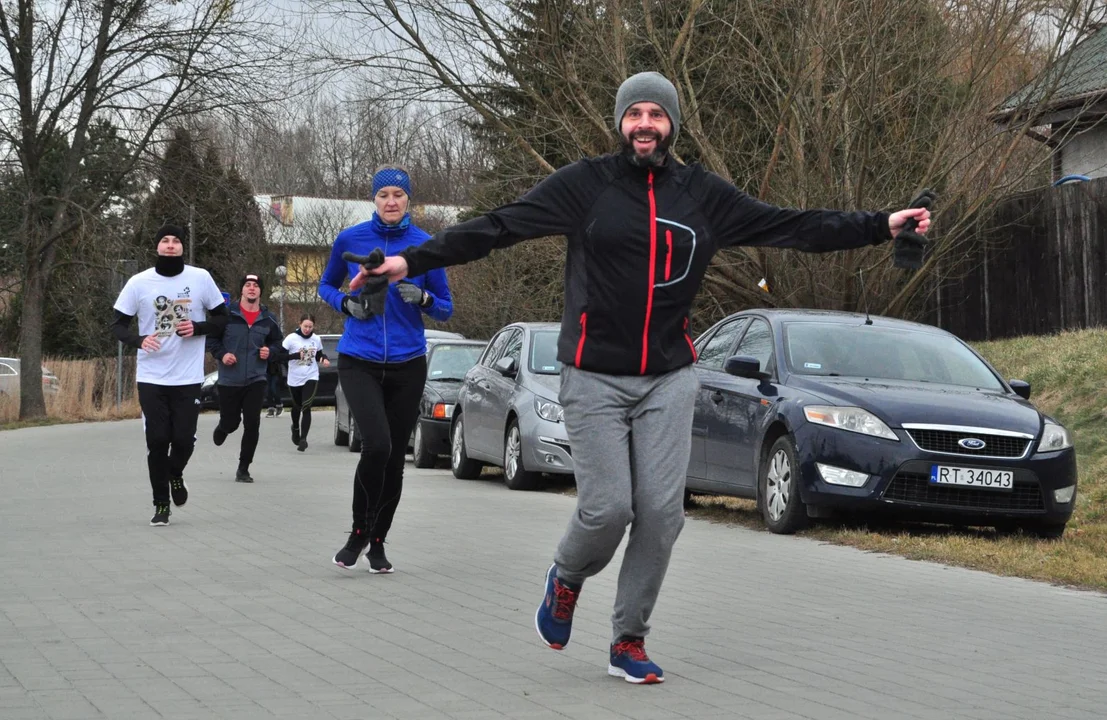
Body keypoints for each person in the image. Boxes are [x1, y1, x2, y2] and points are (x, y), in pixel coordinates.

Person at [365, 72, 932, 684]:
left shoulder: (703, 196)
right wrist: (410, 260)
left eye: (655, 115)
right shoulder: (586, 185)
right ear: (620, 124)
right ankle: (566, 578)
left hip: (668, 376)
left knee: (662, 514)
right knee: (608, 509)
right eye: (634, 114)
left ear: (671, 126)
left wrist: (882, 225)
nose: (644, 124)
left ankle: (628, 639)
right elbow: (500, 225)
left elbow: (794, 226)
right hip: (593, 375)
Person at [318, 165, 453, 573]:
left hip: (408, 365)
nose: (391, 201)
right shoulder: (351, 238)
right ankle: (358, 531)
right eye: (383, 195)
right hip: (359, 359)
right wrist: (345, 303)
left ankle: (377, 543)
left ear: (409, 199)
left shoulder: (425, 245)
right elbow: (325, 285)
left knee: (395, 460)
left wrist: (424, 298)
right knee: (376, 445)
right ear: (373, 200)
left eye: (398, 194)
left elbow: (446, 308)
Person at [111, 225, 228, 526]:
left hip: (188, 376)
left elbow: (222, 318)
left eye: (176, 241)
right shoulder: (139, 283)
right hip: (151, 374)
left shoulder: (200, 278)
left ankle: (175, 473)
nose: (171, 245)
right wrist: (139, 340)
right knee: (158, 439)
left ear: (182, 248)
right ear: (157, 247)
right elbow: (117, 325)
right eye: (165, 240)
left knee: (183, 441)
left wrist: (198, 328)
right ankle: (161, 504)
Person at [206, 274, 283, 483]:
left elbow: (278, 344)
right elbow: (211, 339)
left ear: (260, 291)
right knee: (232, 422)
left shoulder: (269, 319)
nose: (251, 288)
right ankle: (224, 428)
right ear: (241, 290)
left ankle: (243, 468)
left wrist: (270, 351)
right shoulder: (226, 315)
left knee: (252, 423)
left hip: (256, 378)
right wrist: (222, 354)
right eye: (248, 285)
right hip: (229, 379)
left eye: (256, 286)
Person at [282, 314, 330, 451]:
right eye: (305, 326)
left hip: (311, 375)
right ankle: (295, 427)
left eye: (310, 327)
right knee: (297, 406)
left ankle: (303, 439)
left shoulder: (316, 339)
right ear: (299, 324)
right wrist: (295, 356)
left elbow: (319, 354)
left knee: (306, 406)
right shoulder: (291, 339)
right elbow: (279, 356)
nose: (308, 329)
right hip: (294, 378)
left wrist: (323, 359)